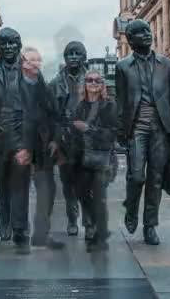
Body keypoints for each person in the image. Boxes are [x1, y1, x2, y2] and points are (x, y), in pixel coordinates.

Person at [0, 28, 54, 254]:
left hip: (24, 137)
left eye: (13, 43)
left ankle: (21, 228)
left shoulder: (33, 74)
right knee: (2, 185)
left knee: (20, 184)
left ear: (19, 46)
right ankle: (5, 220)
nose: (9, 47)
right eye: (4, 43)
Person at [116, 19, 170, 245]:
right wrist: (120, 131)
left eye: (147, 30)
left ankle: (150, 226)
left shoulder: (167, 65)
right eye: (140, 32)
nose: (147, 34)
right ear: (130, 39)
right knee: (136, 176)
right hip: (136, 127)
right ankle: (131, 208)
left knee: (155, 179)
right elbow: (120, 103)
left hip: (161, 127)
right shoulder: (122, 67)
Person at [20, 47, 65, 250]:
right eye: (31, 60)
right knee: (16, 191)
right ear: (23, 63)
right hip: (19, 146)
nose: (36, 64)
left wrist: (55, 140)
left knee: (47, 189)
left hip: (42, 146)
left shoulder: (44, 88)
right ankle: (18, 231)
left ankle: (41, 232)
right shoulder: (14, 86)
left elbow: (56, 116)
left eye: (38, 60)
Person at [49, 41, 92, 238]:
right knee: (68, 183)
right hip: (65, 139)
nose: (73, 57)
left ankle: (89, 221)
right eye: (69, 54)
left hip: (87, 138)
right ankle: (72, 219)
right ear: (65, 58)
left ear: (84, 57)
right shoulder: (55, 83)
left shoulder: (93, 80)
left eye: (77, 53)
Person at [70, 71, 116, 252]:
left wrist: (89, 128)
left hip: (102, 156)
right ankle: (91, 222)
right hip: (81, 157)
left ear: (102, 84)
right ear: (85, 84)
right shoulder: (80, 106)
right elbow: (73, 129)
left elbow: (112, 133)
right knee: (81, 193)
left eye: (97, 80)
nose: (93, 83)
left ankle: (94, 226)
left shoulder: (109, 106)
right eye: (89, 80)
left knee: (99, 195)